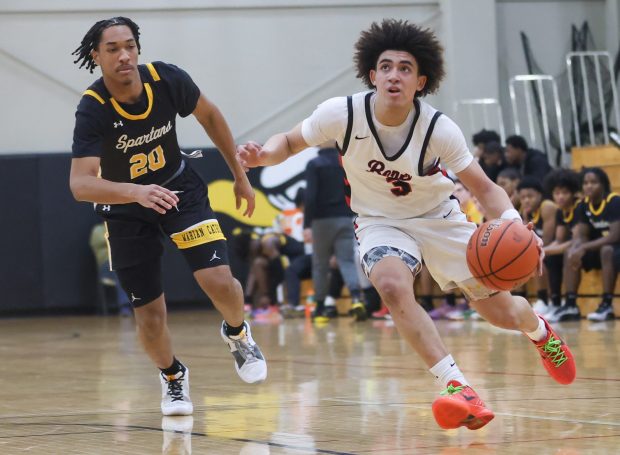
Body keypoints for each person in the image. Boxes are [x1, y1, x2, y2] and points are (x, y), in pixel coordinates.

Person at [237, 19, 576, 430]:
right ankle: (456, 385)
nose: (394, 75)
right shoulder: (342, 114)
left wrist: (515, 226)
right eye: (386, 66)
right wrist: (264, 156)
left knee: (501, 313)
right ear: (371, 75)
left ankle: (540, 332)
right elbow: (289, 142)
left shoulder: (438, 128)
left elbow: (485, 190)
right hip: (380, 222)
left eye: (405, 68)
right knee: (393, 287)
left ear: (421, 81)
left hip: (440, 219)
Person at [69, 17, 267, 416]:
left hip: (179, 190)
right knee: (151, 316)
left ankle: (237, 333)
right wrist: (135, 192)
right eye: (112, 49)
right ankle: (173, 378)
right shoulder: (93, 109)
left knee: (221, 283)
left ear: (138, 49)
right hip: (126, 209)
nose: (123, 55)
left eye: (130, 46)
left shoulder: (166, 79)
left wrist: (239, 175)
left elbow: (210, 116)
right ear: (97, 55)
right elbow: (80, 184)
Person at [303, 141, 366, 322]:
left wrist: (307, 225)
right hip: (346, 218)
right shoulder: (345, 162)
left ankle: (321, 308)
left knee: (320, 264)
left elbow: (310, 197)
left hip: (322, 221)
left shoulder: (314, 164)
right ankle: (356, 299)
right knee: (346, 261)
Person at [558, 167, 620, 322]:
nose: (589, 186)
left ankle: (606, 304)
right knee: (570, 251)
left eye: (594, 182)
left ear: (603, 185)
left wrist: (584, 247)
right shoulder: (583, 205)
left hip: (615, 248)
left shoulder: (614, 201)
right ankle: (571, 304)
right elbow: (582, 235)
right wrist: (577, 247)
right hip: (601, 251)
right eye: (585, 183)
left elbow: (614, 236)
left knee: (606, 250)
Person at [540, 168, 581, 317]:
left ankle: (571, 304)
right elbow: (559, 240)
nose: (561, 197)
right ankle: (555, 303)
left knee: (564, 254)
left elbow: (575, 242)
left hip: (589, 248)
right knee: (549, 258)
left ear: (573, 192)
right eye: (557, 193)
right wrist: (540, 250)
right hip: (574, 249)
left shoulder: (579, 207)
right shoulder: (560, 212)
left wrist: (543, 250)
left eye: (565, 193)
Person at [89, 222, 131, 316]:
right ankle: (125, 306)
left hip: (123, 261)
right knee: (118, 270)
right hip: (106, 265)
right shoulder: (98, 230)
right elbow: (99, 240)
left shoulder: (120, 226)